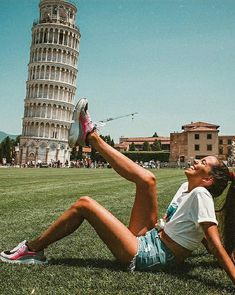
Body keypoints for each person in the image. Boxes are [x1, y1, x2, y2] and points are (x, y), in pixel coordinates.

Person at [1, 98, 235, 284]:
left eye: (203, 163)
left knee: (85, 204)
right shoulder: (188, 187)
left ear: (208, 179)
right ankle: (90, 136)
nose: (196, 161)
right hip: (152, 237)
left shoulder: (201, 195)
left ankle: (31, 250)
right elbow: (202, 238)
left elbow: (212, 243)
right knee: (147, 179)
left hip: (151, 256)